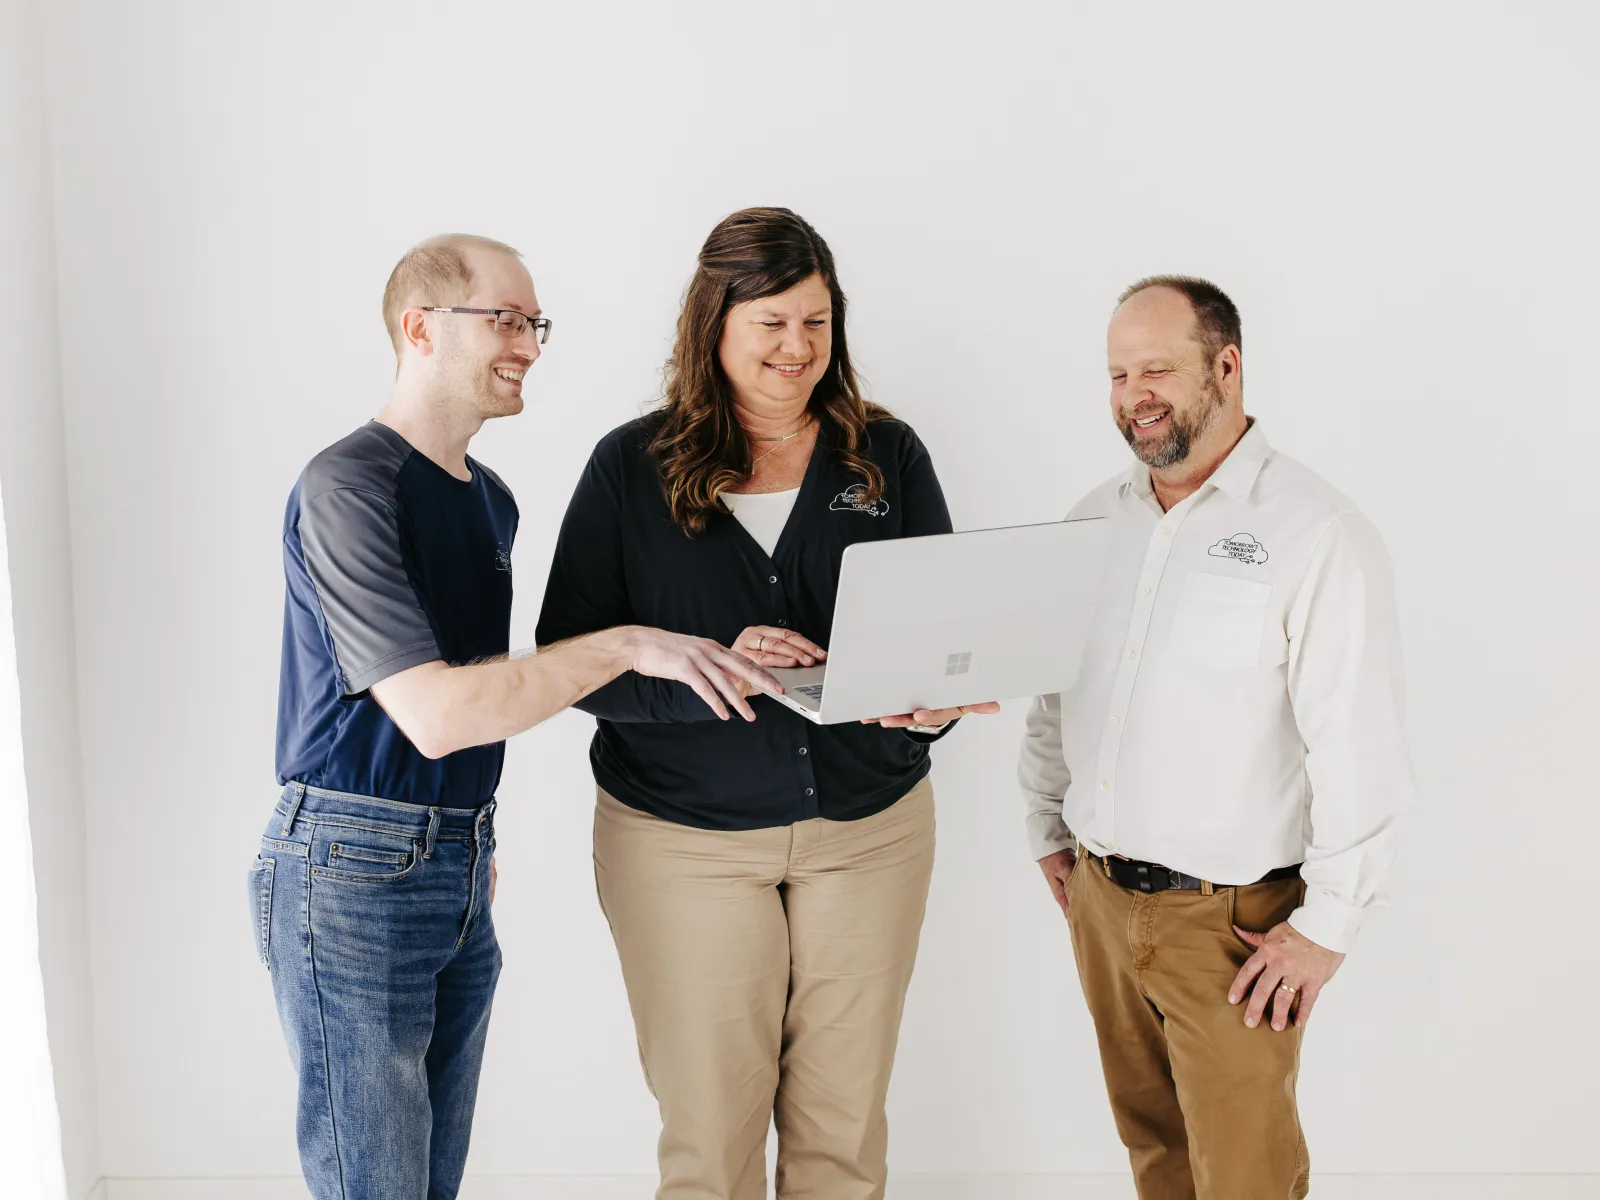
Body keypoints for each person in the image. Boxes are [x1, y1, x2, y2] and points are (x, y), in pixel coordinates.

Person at [254, 233, 776, 1200]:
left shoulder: (490, 499)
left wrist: (465, 838)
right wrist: (625, 642)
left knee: (427, 1184)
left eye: (535, 324)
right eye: (505, 319)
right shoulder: (348, 486)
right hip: (350, 868)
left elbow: (499, 685)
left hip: (454, 861)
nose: (529, 344)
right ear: (419, 328)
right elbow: (438, 713)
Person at [536, 207, 995, 1200]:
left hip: (869, 834)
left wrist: (935, 701)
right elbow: (568, 660)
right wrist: (710, 672)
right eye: (771, 323)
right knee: (709, 1140)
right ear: (716, 324)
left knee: (843, 1137)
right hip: (681, 842)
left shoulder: (889, 456)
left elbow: (945, 640)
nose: (797, 349)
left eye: (816, 323)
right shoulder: (631, 466)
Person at [1018, 276, 1413, 1200]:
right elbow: (1054, 694)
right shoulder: (1090, 519)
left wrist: (1327, 930)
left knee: (1244, 1179)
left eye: (1156, 368)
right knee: (1157, 1157)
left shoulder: (1316, 533)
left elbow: (1360, 744)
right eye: (1117, 374)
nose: (1133, 395)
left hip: (1232, 928)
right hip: (1104, 906)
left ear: (1226, 367)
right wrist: (1047, 824)